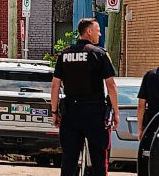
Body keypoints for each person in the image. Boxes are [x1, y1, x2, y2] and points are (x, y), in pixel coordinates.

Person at [50, 18, 119, 176]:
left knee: (69, 160)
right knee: (99, 160)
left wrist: (54, 112)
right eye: (98, 30)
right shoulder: (98, 54)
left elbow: (55, 85)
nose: (99, 34)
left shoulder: (65, 54)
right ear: (89, 31)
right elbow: (111, 85)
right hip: (94, 114)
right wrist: (116, 112)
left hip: (71, 114)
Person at [137, 67, 159, 140]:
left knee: (151, 150)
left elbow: (141, 104)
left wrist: (140, 129)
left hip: (152, 123)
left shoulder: (149, 75)